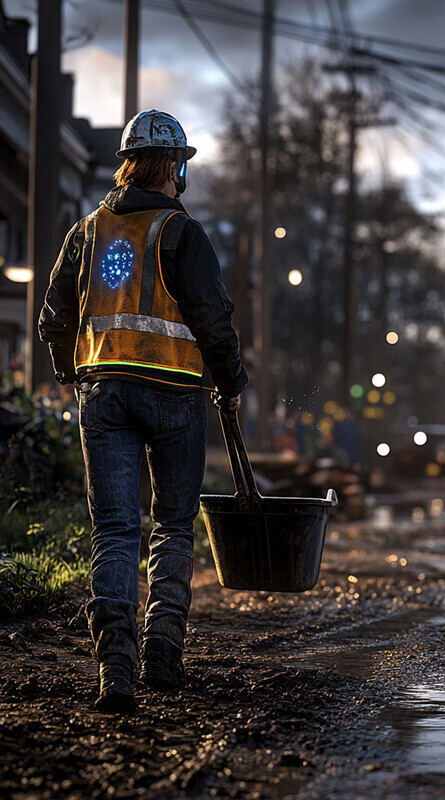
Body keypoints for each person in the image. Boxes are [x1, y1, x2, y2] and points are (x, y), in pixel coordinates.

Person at [38, 109, 248, 713]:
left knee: (115, 529)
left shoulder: (87, 232)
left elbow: (54, 317)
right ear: (176, 167)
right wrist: (231, 382)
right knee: (173, 527)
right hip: (176, 396)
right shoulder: (183, 233)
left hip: (103, 394)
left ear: (126, 164)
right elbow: (213, 319)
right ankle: (162, 655)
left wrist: (74, 374)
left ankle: (116, 670)